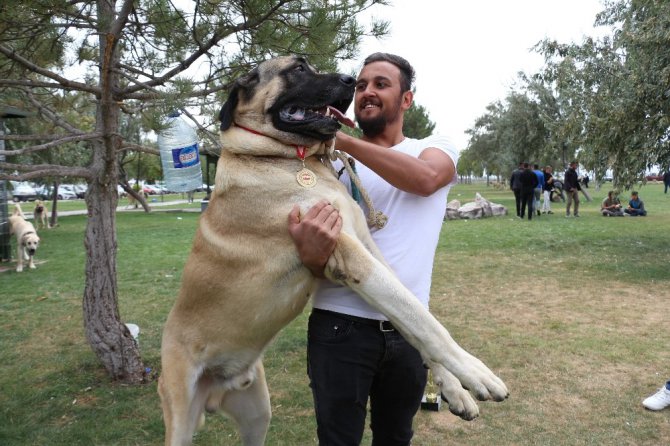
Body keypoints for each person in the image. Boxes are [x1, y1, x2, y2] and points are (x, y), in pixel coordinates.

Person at [288, 53, 459, 445]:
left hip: (410, 328)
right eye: (362, 85)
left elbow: (427, 179)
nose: (366, 92)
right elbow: (315, 263)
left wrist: (338, 138)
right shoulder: (323, 166)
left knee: (396, 437)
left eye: (381, 84)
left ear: (406, 100)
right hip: (338, 326)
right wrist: (311, 254)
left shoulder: (432, 147)